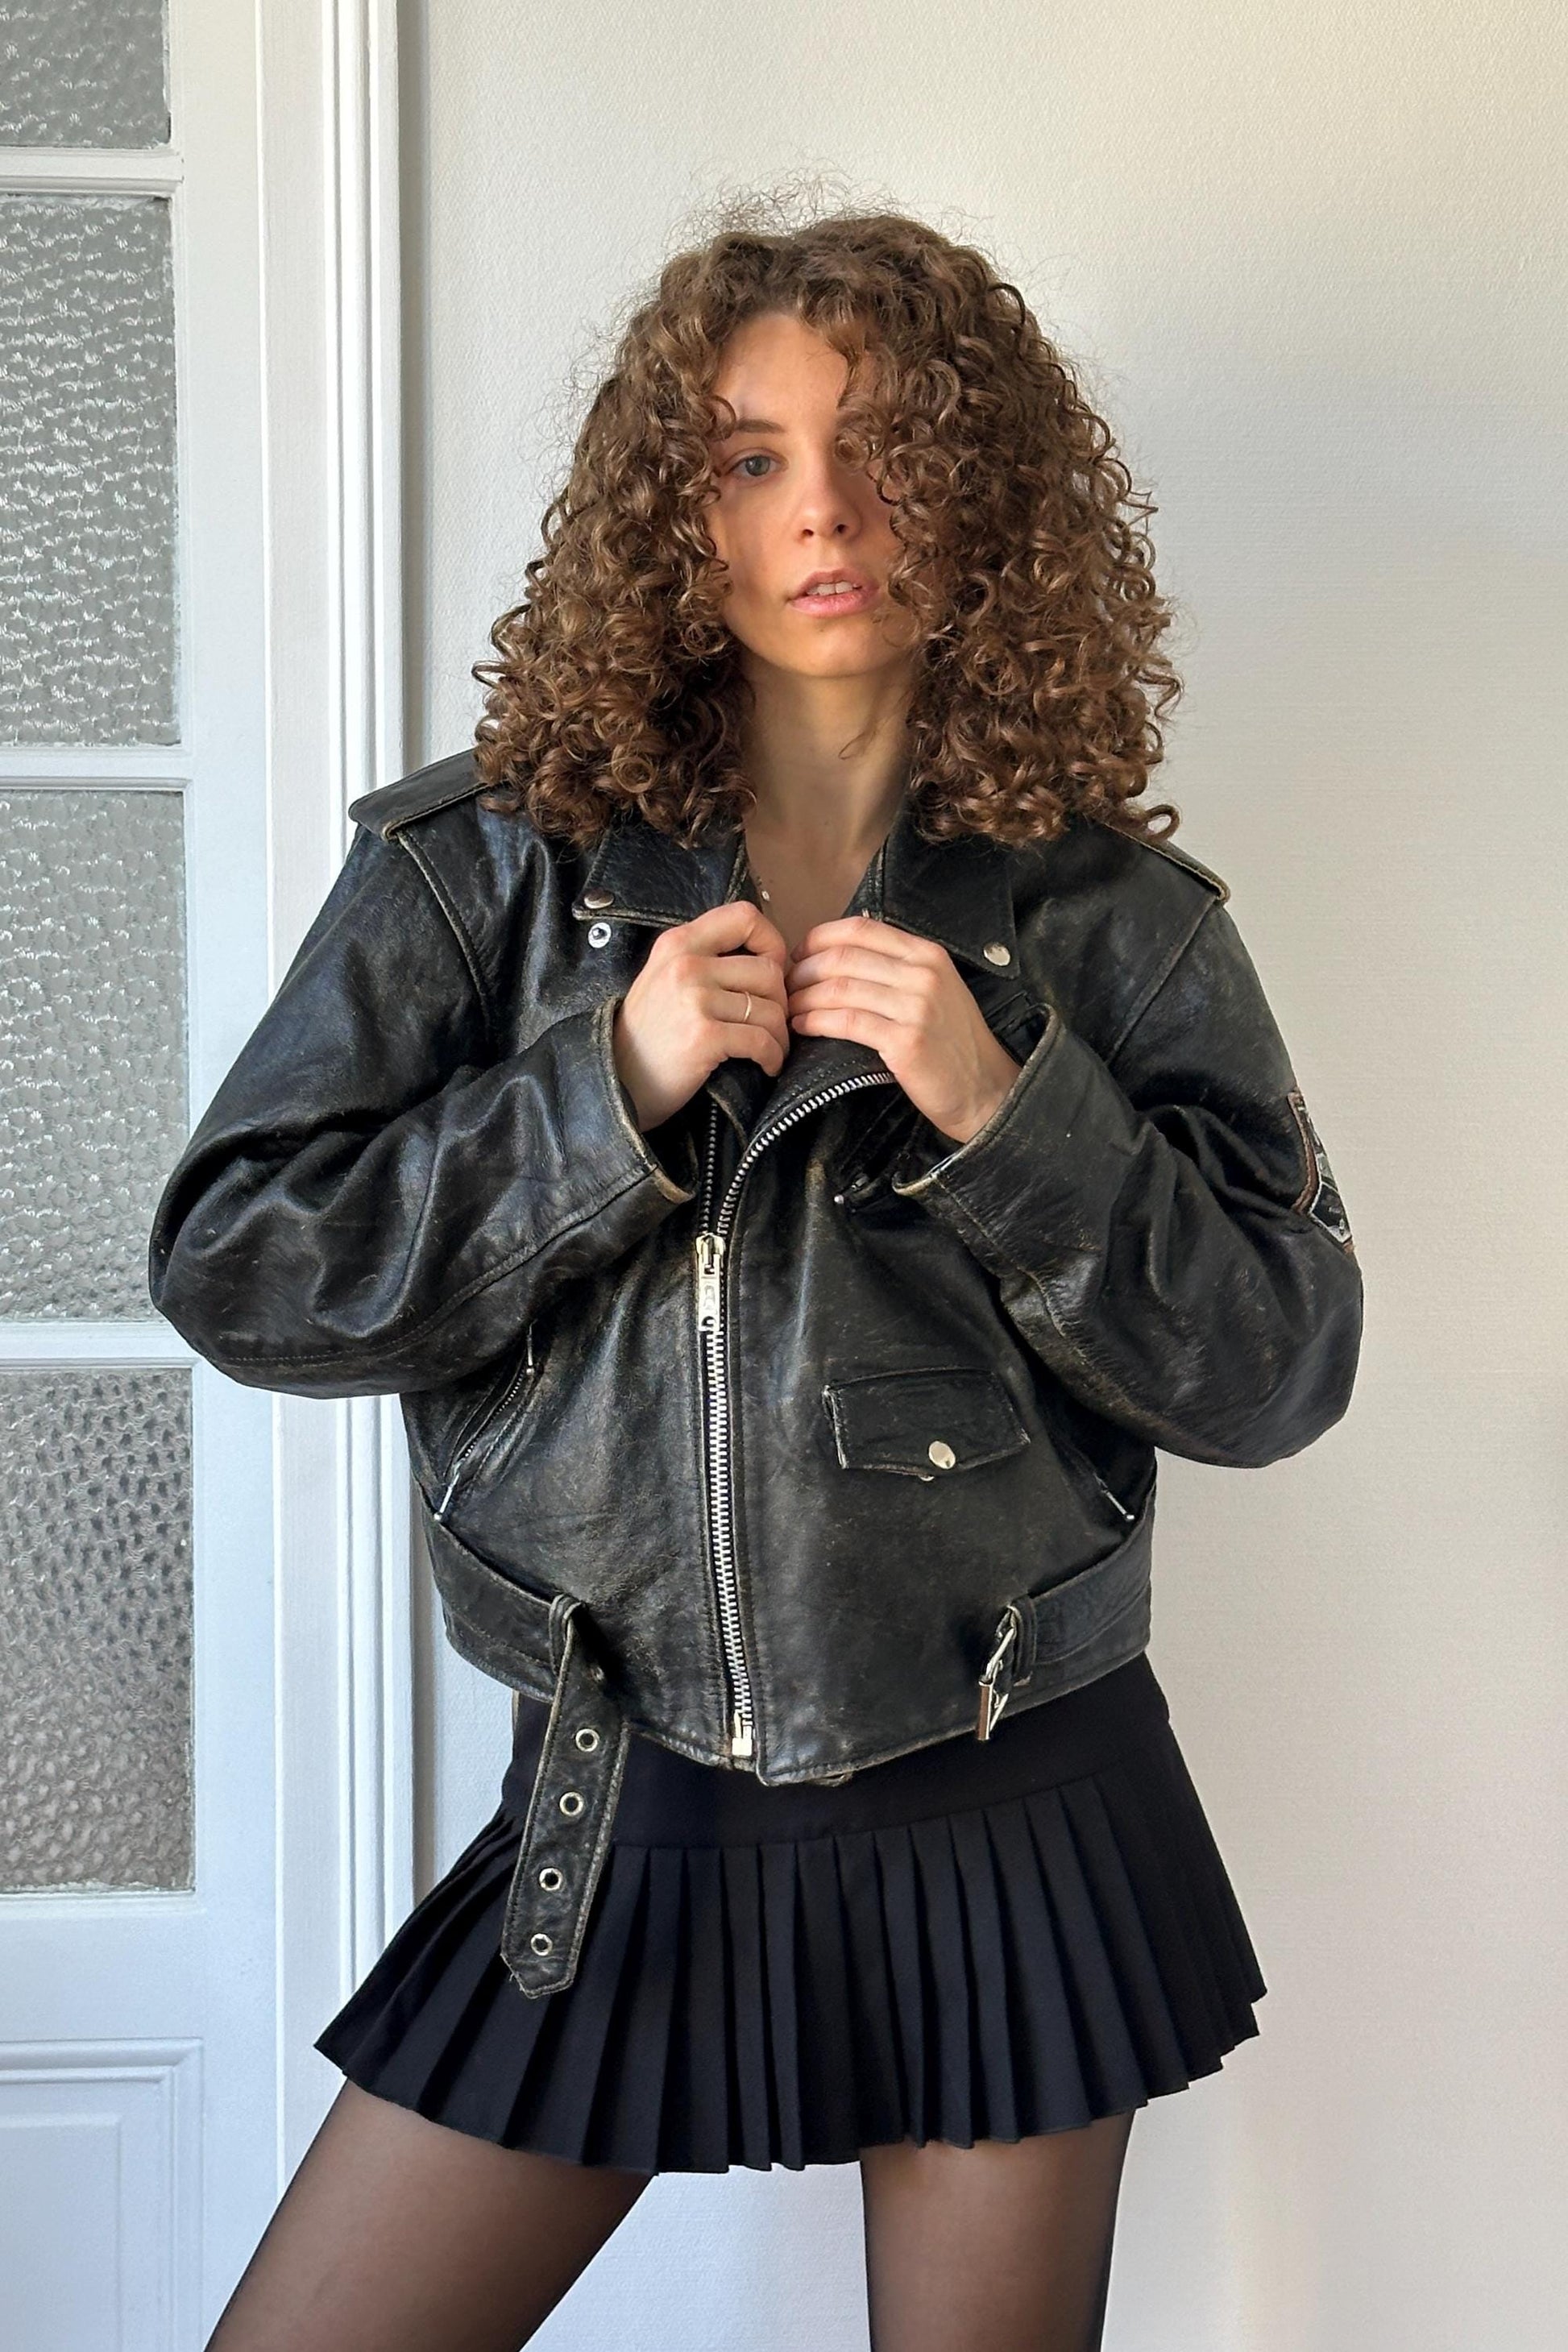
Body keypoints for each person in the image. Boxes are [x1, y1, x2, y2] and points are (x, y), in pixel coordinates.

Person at [149, 204, 1363, 2352]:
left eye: (882, 445)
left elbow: (1274, 1368)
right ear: (665, 504)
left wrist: (1014, 1113)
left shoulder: (1115, 922)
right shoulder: (476, 874)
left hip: (1018, 1787)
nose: (821, 513)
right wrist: (590, 1093)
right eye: (745, 456)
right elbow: (247, 1273)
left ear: (978, 490)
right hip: (616, 1796)